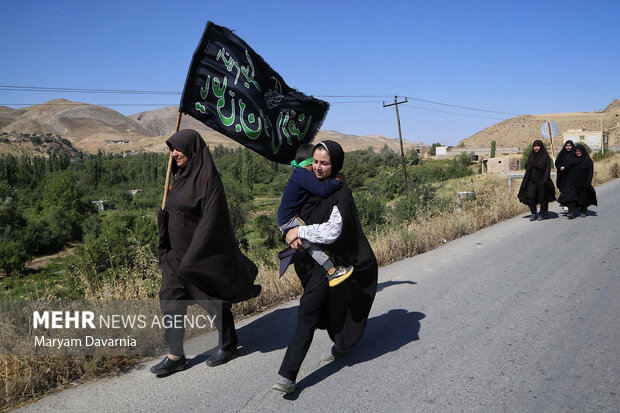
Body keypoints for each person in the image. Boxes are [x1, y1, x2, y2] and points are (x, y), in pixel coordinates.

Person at [151, 129, 260, 375]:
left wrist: (194, 257)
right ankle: (176, 355)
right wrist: (163, 220)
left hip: (197, 259)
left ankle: (229, 345)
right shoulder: (177, 177)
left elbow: (213, 221)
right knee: (170, 303)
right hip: (174, 260)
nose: (174, 153)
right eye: (172, 149)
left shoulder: (208, 180)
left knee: (213, 304)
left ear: (192, 149)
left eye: (178, 148)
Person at [273, 140, 378, 394]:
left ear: (336, 165)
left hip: (331, 259)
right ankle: (342, 343)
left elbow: (332, 231)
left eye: (325, 163)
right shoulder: (310, 185)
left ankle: (287, 375)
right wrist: (292, 235)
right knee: (330, 307)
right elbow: (290, 216)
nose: (319, 168)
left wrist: (301, 231)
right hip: (307, 260)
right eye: (316, 162)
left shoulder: (340, 192)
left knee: (307, 311)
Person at [277, 143, 353, 287]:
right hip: (289, 220)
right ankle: (332, 271)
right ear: (310, 162)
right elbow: (322, 191)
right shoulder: (303, 174)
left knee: (307, 241)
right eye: (316, 162)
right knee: (309, 242)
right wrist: (336, 181)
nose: (317, 167)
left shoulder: (299, 173)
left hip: (285, 218)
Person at [517, 140, 556, 221]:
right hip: (531, 181)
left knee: (543, 198)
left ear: (541, 147)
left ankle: (541, 213)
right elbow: (526, 165)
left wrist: (544, 181)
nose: (536, 148)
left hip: (542, 181)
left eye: (538, 146)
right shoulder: (531, 155)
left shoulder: (546, 157)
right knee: (530, 197)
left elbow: (547, 170)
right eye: (535, 146)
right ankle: (534, 213)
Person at [556, 144, 597, 219]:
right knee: (571, 197)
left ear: (583, 151)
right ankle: (571, 212)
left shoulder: (588, 161)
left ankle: (583, 211)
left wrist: (588, 182)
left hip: (583, 183)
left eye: (579, 151)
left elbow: (590, 173)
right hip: (572, 183)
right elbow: (566, 170)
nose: (578, 152)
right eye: (576, 151)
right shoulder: (572, 160)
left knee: (583, 198)